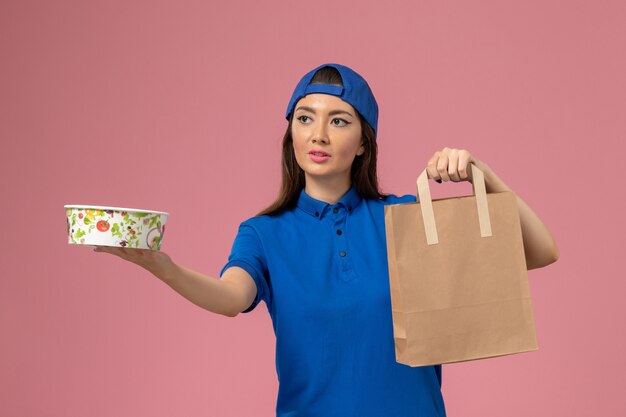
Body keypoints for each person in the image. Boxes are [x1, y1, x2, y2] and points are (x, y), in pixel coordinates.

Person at [94, 63, 560, 417]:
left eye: (339, 120)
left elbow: (542, 250)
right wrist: (161, 265)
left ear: (362, 141)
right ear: (290, 132)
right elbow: (231, 297)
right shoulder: (264, 233)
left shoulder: (404, 218)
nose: (318, 134)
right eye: (304, 118)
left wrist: (481, 171)